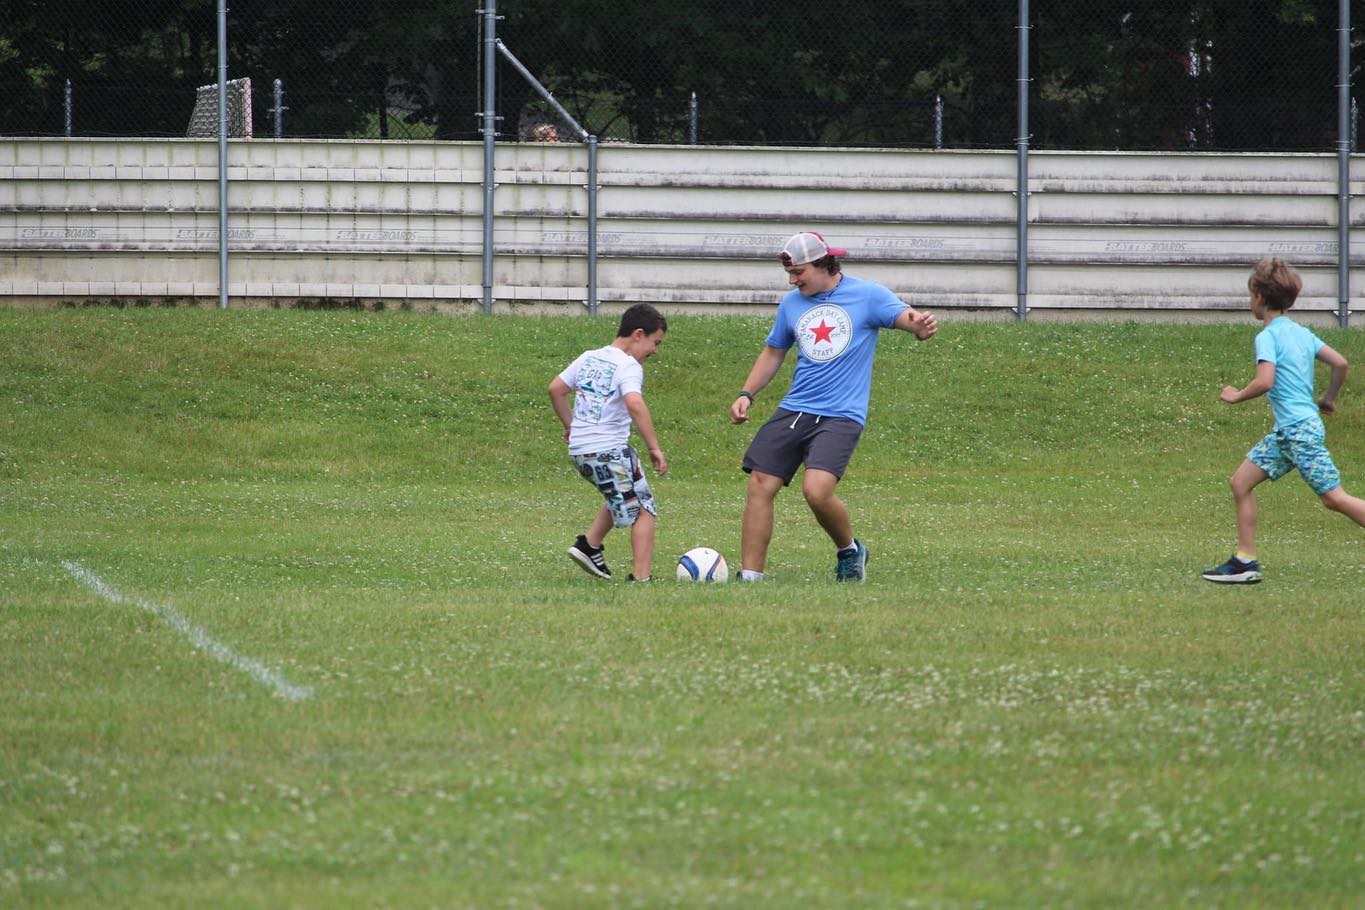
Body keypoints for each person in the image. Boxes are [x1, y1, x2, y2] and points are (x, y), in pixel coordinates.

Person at [729, 230, 937, 582]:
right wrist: (746, 393)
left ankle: (849, 550)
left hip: (841, 414)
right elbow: (774, 351)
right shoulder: (791, 305)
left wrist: (917, 327)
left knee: (817, 490)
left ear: (825, 264)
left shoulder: (867, 294)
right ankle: (751, 577)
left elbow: (905, 316)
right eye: (789, 274)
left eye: (799, 273)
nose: (793, 281)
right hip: (796, 408)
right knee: (760, 482)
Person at [1202, 257, 1365, 584]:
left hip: (1298, 432)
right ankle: (1245, 562)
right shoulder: (1303, 334)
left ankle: (1245, 561)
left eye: (1251, 295)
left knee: (1334, 498)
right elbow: (1341, 364)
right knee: (1240, 483)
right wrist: (1328, 398)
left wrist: (1235, 396)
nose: (1251, 301)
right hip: (1289, 433)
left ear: (1260, 298)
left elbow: (1265, 381)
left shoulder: (1268, 336)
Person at [550, 303, 669, 582]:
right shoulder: (628, 366)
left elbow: (555, 389)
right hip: (609, 449)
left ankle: (589, 545)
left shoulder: (589, 357)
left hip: (581, 451)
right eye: (655, 342)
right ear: (638, 334)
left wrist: (571, 426)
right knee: (643, 507)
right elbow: (635, 404)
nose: (655, 351)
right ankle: (642, 579)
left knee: (620, 491)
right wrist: (654, 447)